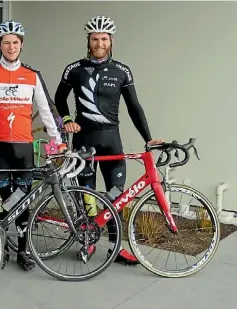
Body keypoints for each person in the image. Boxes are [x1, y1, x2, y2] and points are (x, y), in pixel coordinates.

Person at [53, 15, 163, 265]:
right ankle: (88, 241)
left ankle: (116, 247)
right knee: (88, 196)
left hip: (112, 141)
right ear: (88, 41)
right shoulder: (75, 69)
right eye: (95, 39)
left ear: (111, 41)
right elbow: (59, 99)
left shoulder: (122, 71)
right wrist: (67, 119)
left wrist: (149, 138)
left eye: (104, 39)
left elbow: (134, 107)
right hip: (84, 141)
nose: (99, 43)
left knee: (117, 196)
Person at [0, 20, 66, 271]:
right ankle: (1, 249)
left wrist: (58, 142)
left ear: (21, 45)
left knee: (22, 201)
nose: (11, 47)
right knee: (0, 201)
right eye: (6, 42)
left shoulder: (32, 75)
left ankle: (23, 250)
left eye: (15, 42)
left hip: (24, 150)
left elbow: (47, 111)